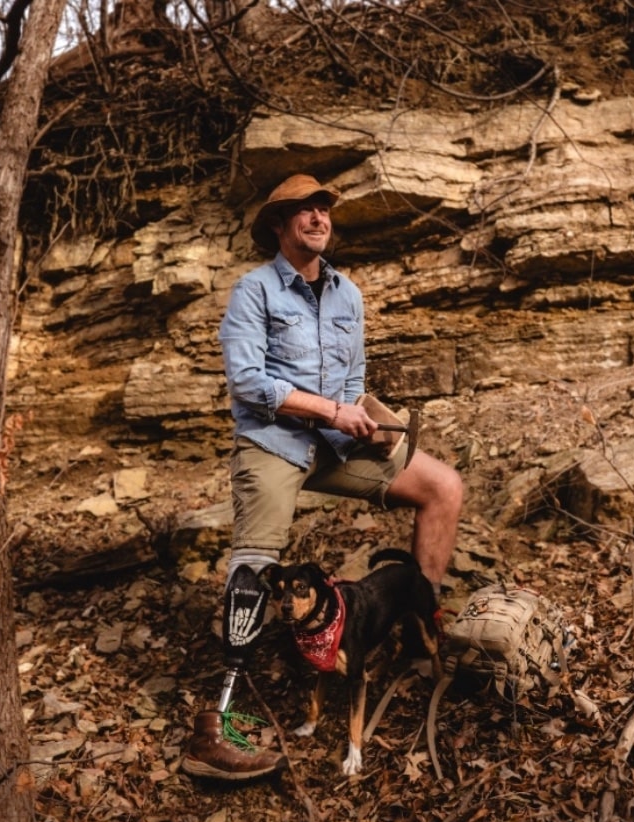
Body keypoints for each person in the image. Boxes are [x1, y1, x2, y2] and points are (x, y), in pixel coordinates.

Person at [181, 173, 465, 781]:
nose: (317, 218)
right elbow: (248, 382)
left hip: (339, 444)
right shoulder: (253, 290)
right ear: (279, 228)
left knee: (444, 488)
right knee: (254, 573)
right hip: (274, 441)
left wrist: (366, 416)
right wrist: (328, 409)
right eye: (302, 211)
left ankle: (417, 640)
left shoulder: (349, 296)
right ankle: (217, 727)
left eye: (323, 209)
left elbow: (351, 381)